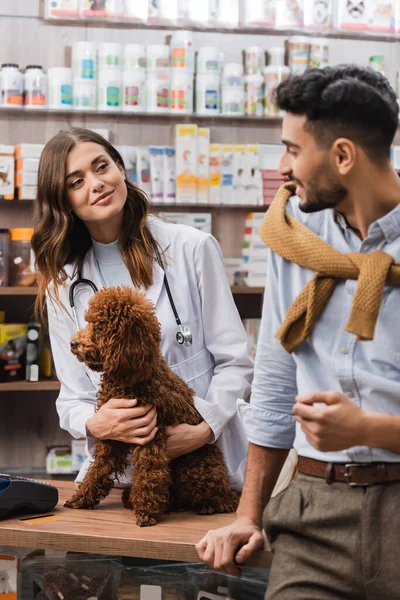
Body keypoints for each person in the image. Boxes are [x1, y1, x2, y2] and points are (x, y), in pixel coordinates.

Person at [196, 65, 400, 599]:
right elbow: (275, 380)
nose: (284, 168)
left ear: (342, 156)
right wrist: (248, 515)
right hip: (314, 513)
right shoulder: (293, 236)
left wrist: (368, 430)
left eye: (292, 149)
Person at [32, 127, 253, 491]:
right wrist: (96, 423)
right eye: (77, 181)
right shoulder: (64, 283)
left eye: (102, 167)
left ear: (120, 168)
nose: (97, 183)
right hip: (124, 476)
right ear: (63, 201)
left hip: (202, 466)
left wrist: (204, 429)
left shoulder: (191, 248)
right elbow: (73, 396)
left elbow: (235, 361)